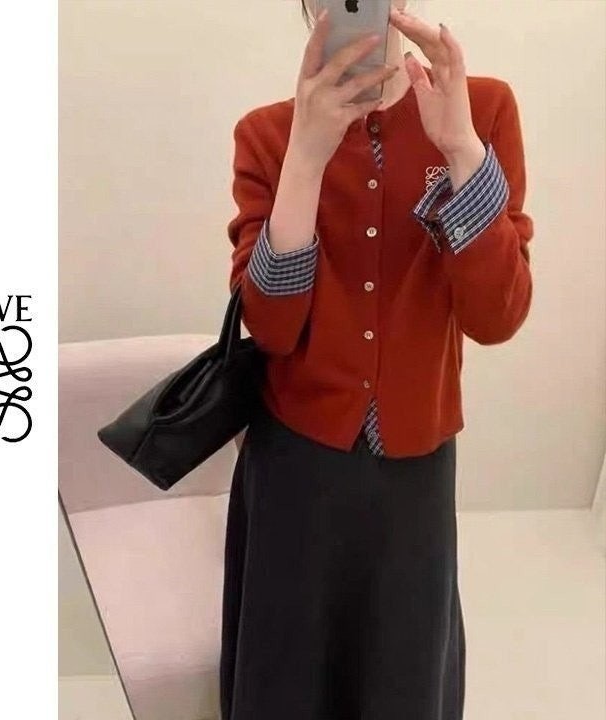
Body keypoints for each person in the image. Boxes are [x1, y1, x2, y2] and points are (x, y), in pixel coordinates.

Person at [220, 1, 533, 719]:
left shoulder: (482, 110)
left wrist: (462, 150)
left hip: (417, 462)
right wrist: (306, 156)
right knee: (285, 679)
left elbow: (498, 317)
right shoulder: (266, 134)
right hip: (294, 462)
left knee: (404, 676)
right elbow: (271, 329)